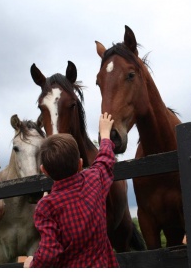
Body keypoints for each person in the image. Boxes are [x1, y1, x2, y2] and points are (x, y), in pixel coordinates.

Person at [24, 112, 120, 268]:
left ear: (44, 171)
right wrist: (105, 135)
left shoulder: (46, 207)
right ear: (80, 164)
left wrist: (32, 265)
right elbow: (105, 160)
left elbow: (49, 253)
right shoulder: (94, 180)